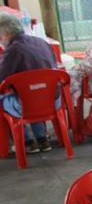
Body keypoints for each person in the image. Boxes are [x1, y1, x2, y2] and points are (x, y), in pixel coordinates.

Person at [0, 11, 58, 153]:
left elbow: (1, 76)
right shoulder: (42, 42)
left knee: (12, 97)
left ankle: (27, 142)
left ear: (6, 32)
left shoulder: (13, 50)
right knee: (31, 92)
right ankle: (42, 139)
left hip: (27, 104)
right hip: (53, 100)